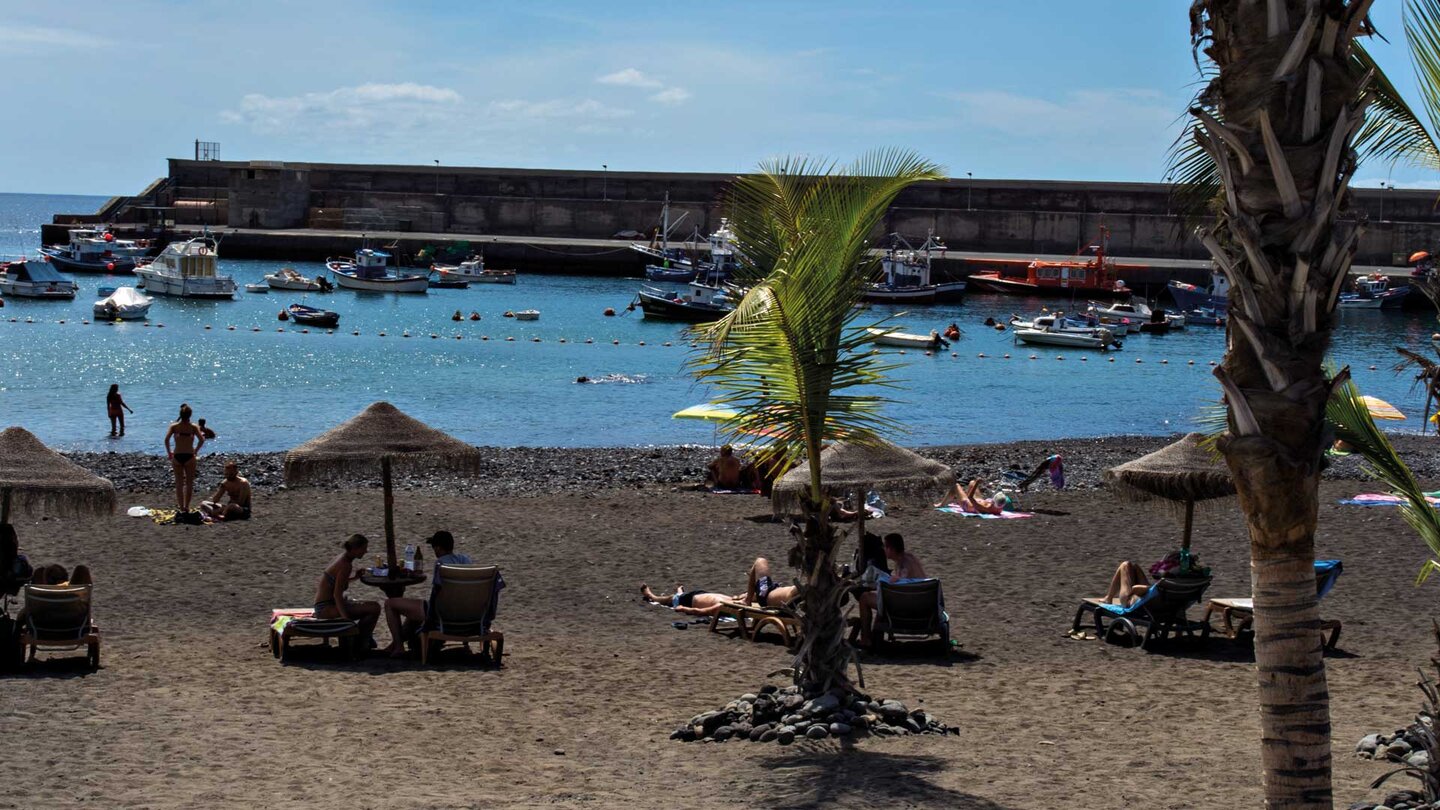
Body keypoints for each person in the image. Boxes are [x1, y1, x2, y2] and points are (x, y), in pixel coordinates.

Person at [380, 530, 484, 657]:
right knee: (413, 613)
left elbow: (437, 592)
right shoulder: (466, 560)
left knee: (390, 603)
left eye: (434, 547)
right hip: (467, 614)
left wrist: (429, 619)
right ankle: (394, 645)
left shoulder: (441, 563)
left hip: (443, 615)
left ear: (439, 548)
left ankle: (398, 647)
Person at [856, 534, 927, 648]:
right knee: (880, 600)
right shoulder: (910, 558)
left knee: (865, 597)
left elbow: (901, 586)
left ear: (891, 549)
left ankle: (866, 639)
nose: (884, 549)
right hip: (920, 605)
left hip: (906, 610)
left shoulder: (904, 566)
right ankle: (875, 638)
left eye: (885, 546)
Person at [313, 534, 381, 645]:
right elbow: (337, 595)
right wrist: (347, 621)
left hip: (323, 605)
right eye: (363, 549)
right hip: (325, 608)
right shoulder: (345, 565)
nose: (366, 551)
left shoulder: (343, 558)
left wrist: (355, 578)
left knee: (369, 606)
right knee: (374, 608)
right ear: (355, 549)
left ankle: (361, 638)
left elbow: (337, 584)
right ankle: (360, 640)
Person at [163, 403, 205, 513]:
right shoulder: (193, 427)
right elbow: (201, 440)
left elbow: (166, 440)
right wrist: (195, 451)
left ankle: (181, 507)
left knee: (179, 483)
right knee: (189, 483)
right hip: (189, 456)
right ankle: (187, 506)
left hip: (177, 455)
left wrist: (169, 453)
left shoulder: (174, 426)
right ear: (190, 415)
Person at [640, 584, 743, 617]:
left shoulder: (723, 606)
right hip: (702, 594)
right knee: (679, 595)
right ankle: (679, 591)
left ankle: (651, 596)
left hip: (689, 601)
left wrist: (683, 608)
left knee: (670, 599)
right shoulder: (736, 600)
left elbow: (701, 611)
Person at [937, 479, 1011, 515]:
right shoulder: (1000, 507)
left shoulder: (986, 508)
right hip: (978, 501)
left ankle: (941, 504)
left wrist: (977, 484)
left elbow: (970, 498)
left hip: (968, 505)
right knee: (972, 482)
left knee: (955, 486)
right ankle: (960, 497)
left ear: (993, 501)